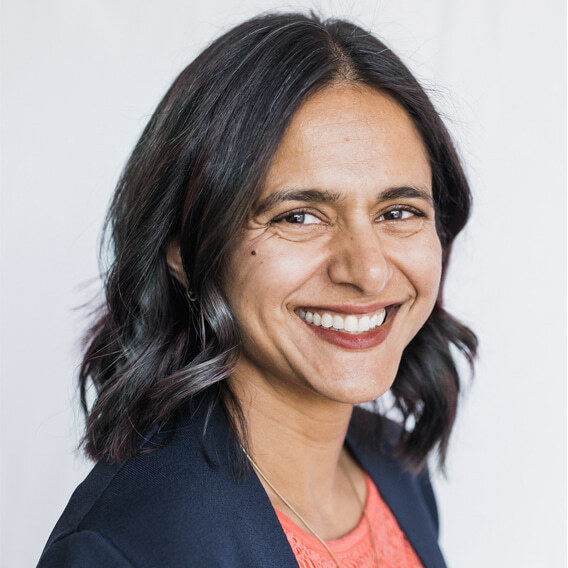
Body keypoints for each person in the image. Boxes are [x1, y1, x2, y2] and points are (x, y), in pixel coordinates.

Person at [37, 12, 477, 568]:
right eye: (299, 217)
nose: (367, 271)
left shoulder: (394, 467)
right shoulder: (128, 547)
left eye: (398, 211)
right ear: (186, 250)